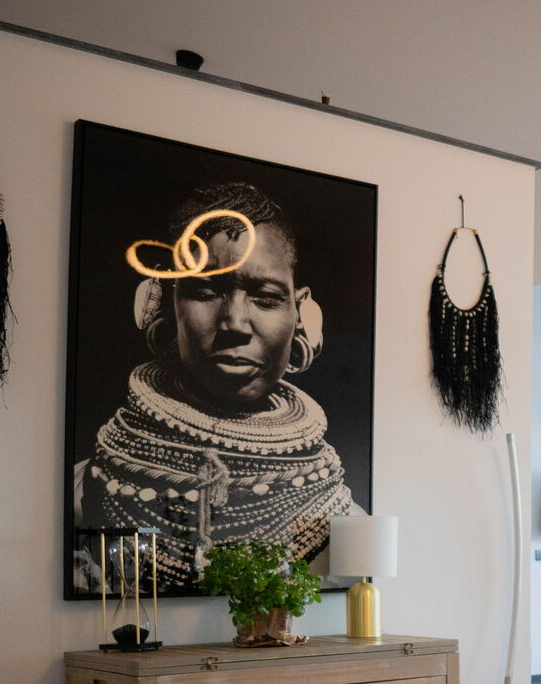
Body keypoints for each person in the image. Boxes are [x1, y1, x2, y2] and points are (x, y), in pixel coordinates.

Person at [73, 182, 357, 588]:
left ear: (300, 312)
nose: (235, 323)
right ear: (162, 303)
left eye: (266, 297)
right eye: (205, 291)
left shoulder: (340, 520)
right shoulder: (85, 495)